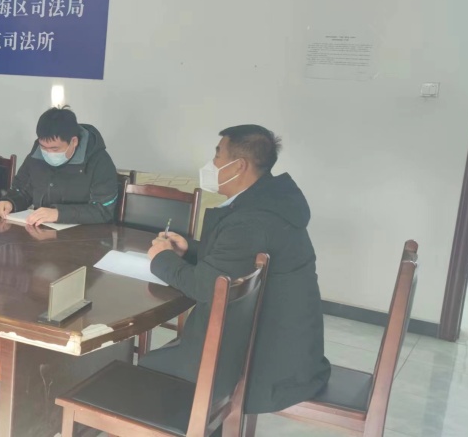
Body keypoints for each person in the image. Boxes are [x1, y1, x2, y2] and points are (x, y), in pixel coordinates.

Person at [142, 125, 331, 414]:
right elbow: (235, 260)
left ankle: (188, 423)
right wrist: (189, 250)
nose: (211, 164)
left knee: (142, 368)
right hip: (288, 353)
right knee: (163, 356)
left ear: (239, 166)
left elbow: (206, 287)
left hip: (265, 369)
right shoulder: (271, 202)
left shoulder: (251, 222)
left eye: (217, 156)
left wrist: (161, 259)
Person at [0, 107, 118, 226]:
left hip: (84, 237)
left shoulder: (99, 161)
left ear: (74, 142)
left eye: (55, 149)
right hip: (40, 231)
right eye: (43, 147)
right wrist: (9, 202)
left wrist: (59, 214)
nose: (48, 153)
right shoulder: (37, 155)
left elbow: (103, 210)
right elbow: (22, 190)